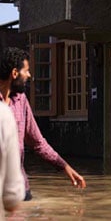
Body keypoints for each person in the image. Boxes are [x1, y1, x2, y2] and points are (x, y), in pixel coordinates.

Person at [0, 47, 86, 201]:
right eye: (26, 71)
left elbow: (38, 143)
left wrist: (65, 167)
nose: (29, 75)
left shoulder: (21, 100)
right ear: (14, 73)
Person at [0, 102, 25, 218]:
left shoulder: (22, 101)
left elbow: (38, 140)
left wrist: (64, 166)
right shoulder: (4, 114)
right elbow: (12, 199)